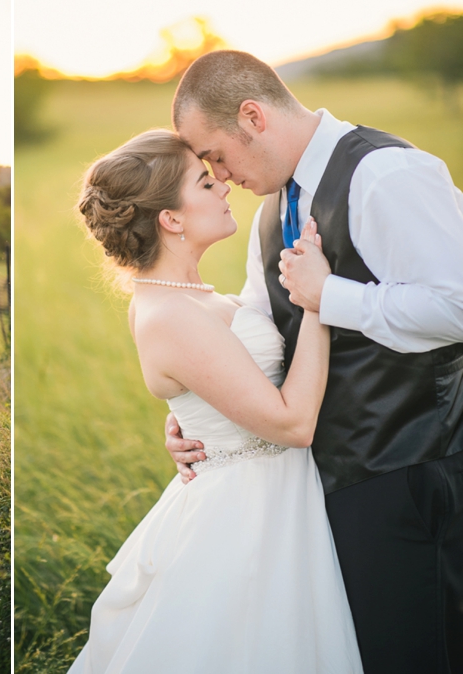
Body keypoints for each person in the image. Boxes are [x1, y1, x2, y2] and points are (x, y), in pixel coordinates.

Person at [168, 50, 463, 674]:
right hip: (320, 489)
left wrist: (329, 295)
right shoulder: (271, 212)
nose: (219, 177)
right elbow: (257, 335)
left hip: (411, 470)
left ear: (253, 116)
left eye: (216, 154)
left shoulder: (386, 174)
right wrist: (202, 411)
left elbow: (456, 306)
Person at [69, 129, 362, 673]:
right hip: (248, 514)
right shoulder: (170, 315)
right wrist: (319, 304)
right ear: (171, 219)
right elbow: (293, 423)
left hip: (274, 493)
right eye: (204, 182)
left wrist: (190, 416)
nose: (223, 185)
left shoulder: (190, 296)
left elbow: (215, 383)